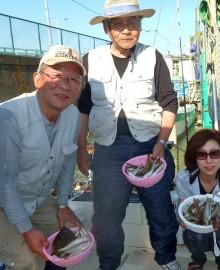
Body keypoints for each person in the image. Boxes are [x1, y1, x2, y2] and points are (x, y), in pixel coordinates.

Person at [76, 0, 179, 269]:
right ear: (107, 29)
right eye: (118, 24)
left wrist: (161, 142)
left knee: (160, 210)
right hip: (108, 151)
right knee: (106, 217)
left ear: (140, 27)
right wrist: (80, 148)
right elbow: (83, 108)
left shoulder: (153, 56)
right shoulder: (91, 59)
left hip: (149, 147)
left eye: (132, 23)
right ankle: (108, 265)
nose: (126, 30)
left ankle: (166, 259)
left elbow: (169, 102)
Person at [0, 44, 86, 270]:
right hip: (1, 202)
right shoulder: (9, 117)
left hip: (36, 200)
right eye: (56, 76)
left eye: (73, 79)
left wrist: (63, 204)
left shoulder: (73, 115)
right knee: (27, 261)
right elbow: (6, 182)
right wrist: (26, 229)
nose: (65, 85)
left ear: (79, 88)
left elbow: (68, 163)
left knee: (69, 243)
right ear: (38, 79)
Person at [175, 129, 220, 270]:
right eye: (201, 154)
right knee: (190, 232)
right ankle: (198, 259)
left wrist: (219, 221)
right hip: (197, 227)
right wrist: (181, 216)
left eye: (214, 153)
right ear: (194, 157)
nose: (209, 161)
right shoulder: (183, 178)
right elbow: (183, 208)